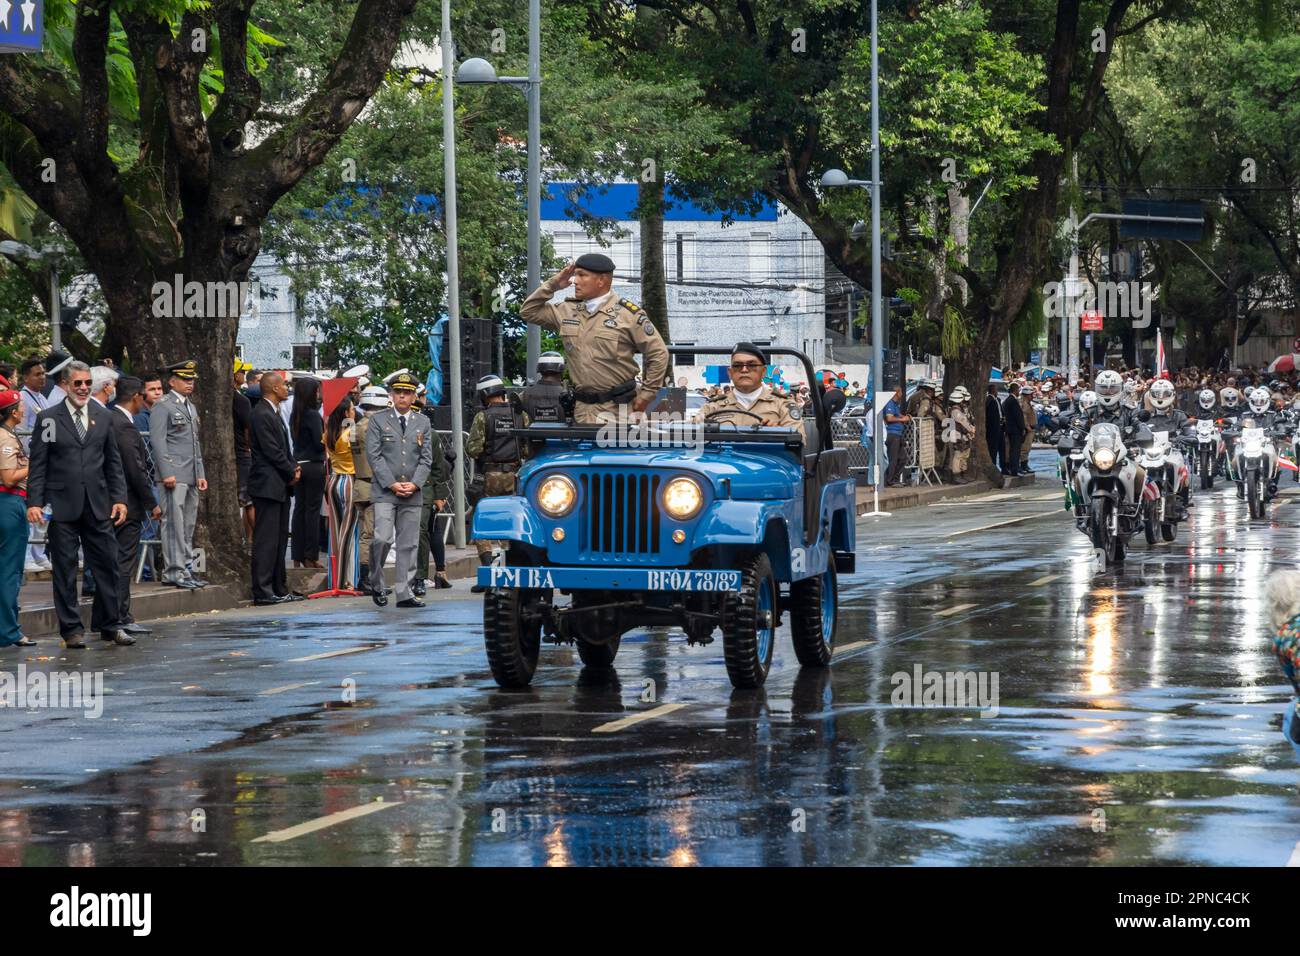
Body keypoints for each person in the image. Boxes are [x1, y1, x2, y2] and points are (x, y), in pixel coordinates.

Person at [25, 361, 134, 648]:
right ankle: (71, 629)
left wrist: (120, 498)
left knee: (108, 564)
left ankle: (111, 624)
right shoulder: (49, 418)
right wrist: (34, 502)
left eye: (87, 383)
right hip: (62, 504)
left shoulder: (103, 415)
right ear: (66, 384)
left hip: (98, 503)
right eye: (78, 384)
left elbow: (113, 462)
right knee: (65, 568)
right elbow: (39, 463)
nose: (84, 388)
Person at [519, 253, 669, 424]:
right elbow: (528, 311)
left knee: (609, 451)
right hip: (582, 410)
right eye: (576, 275)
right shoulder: (568, 310)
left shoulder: (628, 315)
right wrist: (553, 284)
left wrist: (646, 395)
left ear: (601, 280)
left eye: (582, 275)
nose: (575, 280)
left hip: (619, 411)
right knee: (583, 451)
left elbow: (658, 353)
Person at [364, 372, 434, 608]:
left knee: (408, 544)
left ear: (414, 396)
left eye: (407, 393)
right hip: (386, 490)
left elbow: (426, 459)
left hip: (412, 491)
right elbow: (374, 456)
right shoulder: (378, 420)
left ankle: (404, 592)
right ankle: (376, 581)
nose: (402, 396)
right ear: (391, 395)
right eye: (398, 392)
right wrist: (392, 483)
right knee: (382, 538)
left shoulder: (422, 422)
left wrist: (415, 483)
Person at [104, 377, 159, 636]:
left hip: (116, 500)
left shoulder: (111, 418)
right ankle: (121, 616)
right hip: (126, 502)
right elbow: (134, 468)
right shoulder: (123, 425)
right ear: (137, 396)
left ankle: (115, 616)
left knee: (117, 560)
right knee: (123, 560)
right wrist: (152, 502)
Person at [466, 374, 529, 594]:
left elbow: (472, 449)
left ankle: (487, 572)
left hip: (490, 475)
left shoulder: (483, 417)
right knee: (511, 522)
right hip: (515, 475)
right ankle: (509, 570)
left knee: (481, 520)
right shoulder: (520, 415)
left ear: (484, 396)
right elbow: (528, 448)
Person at [149, 360, 207, 589]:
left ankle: (184, 569)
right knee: (173, 523)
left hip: (190, 473)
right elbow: (158, 441)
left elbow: (195, 443)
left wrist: (200, 472)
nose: (189, 383)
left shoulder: (190, 406)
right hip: (173, 474)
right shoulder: (163, 405)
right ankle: (174, 571)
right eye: (185, 379)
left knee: (187, 524)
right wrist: (166, 473)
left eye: (191, 379)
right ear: (172, 381)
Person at [248, 372, 302, 605]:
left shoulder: (274, 411)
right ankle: (262, 589)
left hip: (278, 483)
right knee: (266, 539)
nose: (287, 389)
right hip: (267, 483)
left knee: (280, 539)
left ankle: (279, 586)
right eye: (283, 385)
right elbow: (271, 450)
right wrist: (290, 470)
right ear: (273, 388)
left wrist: (292, 468)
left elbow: (284, 448)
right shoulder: (261, 413)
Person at [0, 387, 35, 646]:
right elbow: (9, 477)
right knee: (9, 569)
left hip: (10, 503)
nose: (24, 410)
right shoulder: (5, 439)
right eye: (21, 406)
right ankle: (9, 631)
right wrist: (34, 465)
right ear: (13, 413)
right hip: (9, 503)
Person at [698, 343, 802, 429]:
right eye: (737, 366)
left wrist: (777, 432)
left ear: (764, 371)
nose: (744, 370)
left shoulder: (783, 404)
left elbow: (798, 441)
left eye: (752, 365)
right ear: (730, 372)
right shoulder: (712, 407)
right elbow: (691, 438)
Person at [414, 393, 452, 595]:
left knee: (421, 532)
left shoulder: (431, 435)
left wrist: (439, 494)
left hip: (423, 489)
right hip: (396, 488)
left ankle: (419, 577)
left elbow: (437, 467)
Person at [352, 385, 389, 589]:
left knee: (366, 534)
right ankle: (367, 580)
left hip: (360, 484)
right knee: (372, 536)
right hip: (375, 486)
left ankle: (368, 578)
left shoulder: (355, 426)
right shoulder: (374, 428)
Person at [324, 395, 362, 591]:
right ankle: (347, 581)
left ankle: (335, 578)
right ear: (346, 413)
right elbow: (359, 457)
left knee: (336, 531)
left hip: (334, 481)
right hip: (349, 481)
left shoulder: (329, 431)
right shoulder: (351, 432)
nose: (355, 412)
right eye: (353, 409)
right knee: (349, 532)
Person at [289, 376, 325, 570]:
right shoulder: (312, 414)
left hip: (299, 464)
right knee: (312, 513)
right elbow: (320, 443)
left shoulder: (296, 414)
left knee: (299, 511)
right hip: (313, 465)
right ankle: (310, 554)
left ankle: (297, 554)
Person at [232, 359, 254, 542]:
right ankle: (254, 538)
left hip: (235, 454)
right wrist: (250, 448)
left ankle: (250, 539)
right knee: (249, 501)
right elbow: (248, 429)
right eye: (241, 371)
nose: (243, 374)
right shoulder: (241, 400)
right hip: (242, 454)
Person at [520, 350, 568, 423]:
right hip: (562, 434)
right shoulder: (569, 394)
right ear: (561, 369)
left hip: (533, 434)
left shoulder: (524, 395)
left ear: (540, 369)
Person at [944, 386, 976, 483]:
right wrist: (971, 429)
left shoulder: (959, 409)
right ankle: (956, 476)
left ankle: (962, 473)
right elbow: (964, 422)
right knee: (958, 455)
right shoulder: (955, 410)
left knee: (964, 455)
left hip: (962, 435)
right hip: (957, 436)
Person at [883, 385, 910, 486]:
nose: (902, 394)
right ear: (896, 392)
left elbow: (896, 415)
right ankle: (890, 480)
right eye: (901, 392)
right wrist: (902, 419)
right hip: (892, 434)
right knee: (893, 459)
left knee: (902, 458)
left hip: (898, 434)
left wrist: (904, 416)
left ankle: (895, 479)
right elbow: (889, 418)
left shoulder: (895, 405)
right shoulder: (890, 403)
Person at [1002, 382, 1028, 477]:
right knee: (1015, 450)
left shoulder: (1008, 400)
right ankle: (1014, 469)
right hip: (1015, 429)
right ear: (1015, 390)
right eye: (1018, 390)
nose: (1019, 392)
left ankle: (1014, 468)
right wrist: (1022, 428)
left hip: (1011, 429)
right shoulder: (1012, 401)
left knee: (1013, 450)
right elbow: (1018, 416)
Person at [984, 383, 1004, 473]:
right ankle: (993, 465)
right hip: (993, 428)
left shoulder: (998, 400)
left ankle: (1003, 466)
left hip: (1000, 426)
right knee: (993, 448)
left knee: (1001, 447)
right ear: (992, 390)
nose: (997, 392)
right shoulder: (989, 400)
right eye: (996, 390)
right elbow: (990, 416)